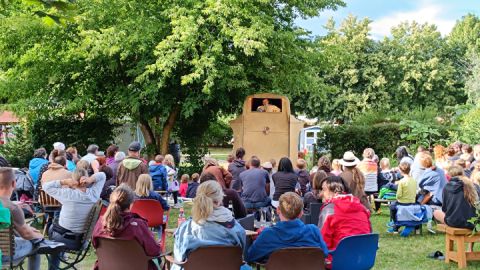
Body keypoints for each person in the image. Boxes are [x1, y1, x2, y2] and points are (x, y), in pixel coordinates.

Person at [172, 181, 248, 270]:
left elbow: (179, 257)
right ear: (220, 199)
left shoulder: (186, 228)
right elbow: (241, 253)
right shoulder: (236, 228)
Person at [43, 169, 106, 270]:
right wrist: (90, 180)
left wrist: (64, 182)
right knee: (57, 227)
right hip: (81, 241)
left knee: (51, 228)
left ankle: (53, 267)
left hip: (64, 239)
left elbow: (45, 186)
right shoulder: (94, 194)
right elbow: (102, 175)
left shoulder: (67, 194)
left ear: (73, 179)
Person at [92, 184, 161, 270]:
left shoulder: (101, 223)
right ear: (131, 203)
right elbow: (154, 251)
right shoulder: (138, 226)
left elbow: (95, 245)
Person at [246, 192, 328, 263]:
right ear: (301, 213)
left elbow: (250, 257)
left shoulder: (268, 235)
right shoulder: (313, 231)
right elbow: (324, 253)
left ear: (278, 210)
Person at [318, 176, 371, 262]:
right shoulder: (362, 208)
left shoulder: (329, 210)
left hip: (338, 261)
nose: (321, 194)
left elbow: (322, 242)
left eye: (324, 189)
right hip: (363, 260)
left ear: (334, 191)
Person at [0, 168, 43, 270]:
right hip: (5, 253)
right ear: (14, 183)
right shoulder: (12, 208)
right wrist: (39, 235)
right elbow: (27, 234)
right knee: (35, 244)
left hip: (4, 246)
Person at [387, 162, 417, 233]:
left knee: (392, 207)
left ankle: (396, 225)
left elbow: (398, 195)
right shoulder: (414, 180)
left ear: (400, 171)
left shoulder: (402, 181)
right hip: (412, 202)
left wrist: (397, 197)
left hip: (402, 203)